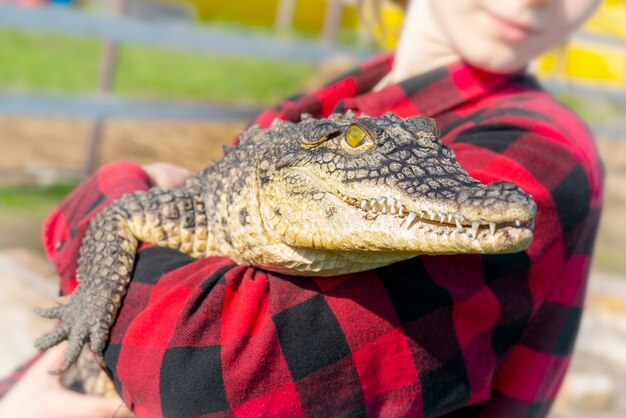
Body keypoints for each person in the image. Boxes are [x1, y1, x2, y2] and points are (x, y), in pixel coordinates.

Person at [1, 0, 604, 416]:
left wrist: (112, 182)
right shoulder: (337, 97)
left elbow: (211, 385)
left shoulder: (539, 148)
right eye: (360, 142)